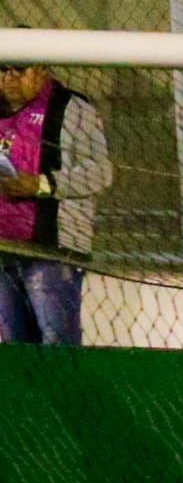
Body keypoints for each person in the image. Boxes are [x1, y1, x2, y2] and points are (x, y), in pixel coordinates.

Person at [0, 61, 112, 345]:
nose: (9, 78)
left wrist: (43, 184)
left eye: (19, 69)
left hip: (52, 253)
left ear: (42, 70)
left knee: (56, 344)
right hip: (3, 250)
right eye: (2, 70)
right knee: (13, 348)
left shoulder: (71, 109)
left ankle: (65, 390)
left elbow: (101, 172)